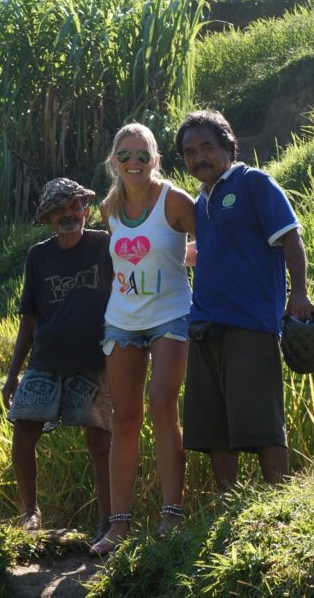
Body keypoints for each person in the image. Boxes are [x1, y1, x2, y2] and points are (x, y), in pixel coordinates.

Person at [175, 110, 314, 492]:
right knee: (215, 430)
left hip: (250, 325)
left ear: (228, 146)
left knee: (262, 425)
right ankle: (228, 507)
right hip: (204, 325)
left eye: (207, 146)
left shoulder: (253, 182)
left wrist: (299, 294)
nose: (199, 157)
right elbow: (209, 251)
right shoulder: (199, 202)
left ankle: (278, 506)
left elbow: (291, 239)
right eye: (190, 152)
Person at [89, 123, 196, 555]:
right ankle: (119, 526)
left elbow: (207, 245)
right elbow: (125, 259)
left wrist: (190, 266)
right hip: (122, 321)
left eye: (142, 154)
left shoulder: (176, 201)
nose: (134, 162)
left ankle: (172, 514)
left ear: (156, 159)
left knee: (163, 406)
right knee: (125, 418)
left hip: (171, 316)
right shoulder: (108, 208)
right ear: (113, 161)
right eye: (125, 155)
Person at [1, 177, 114, 544]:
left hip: (94, 360)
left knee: (99, 441)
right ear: (48, 217)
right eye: (60, 209)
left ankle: (107, 522)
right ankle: (30, 512)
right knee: (24, 430)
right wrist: (12, 375)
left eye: (75, 206)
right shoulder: (39, 256)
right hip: (45, 360)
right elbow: (29, 318)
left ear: (85, 208)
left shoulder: (105, 246)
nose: (69, 214)